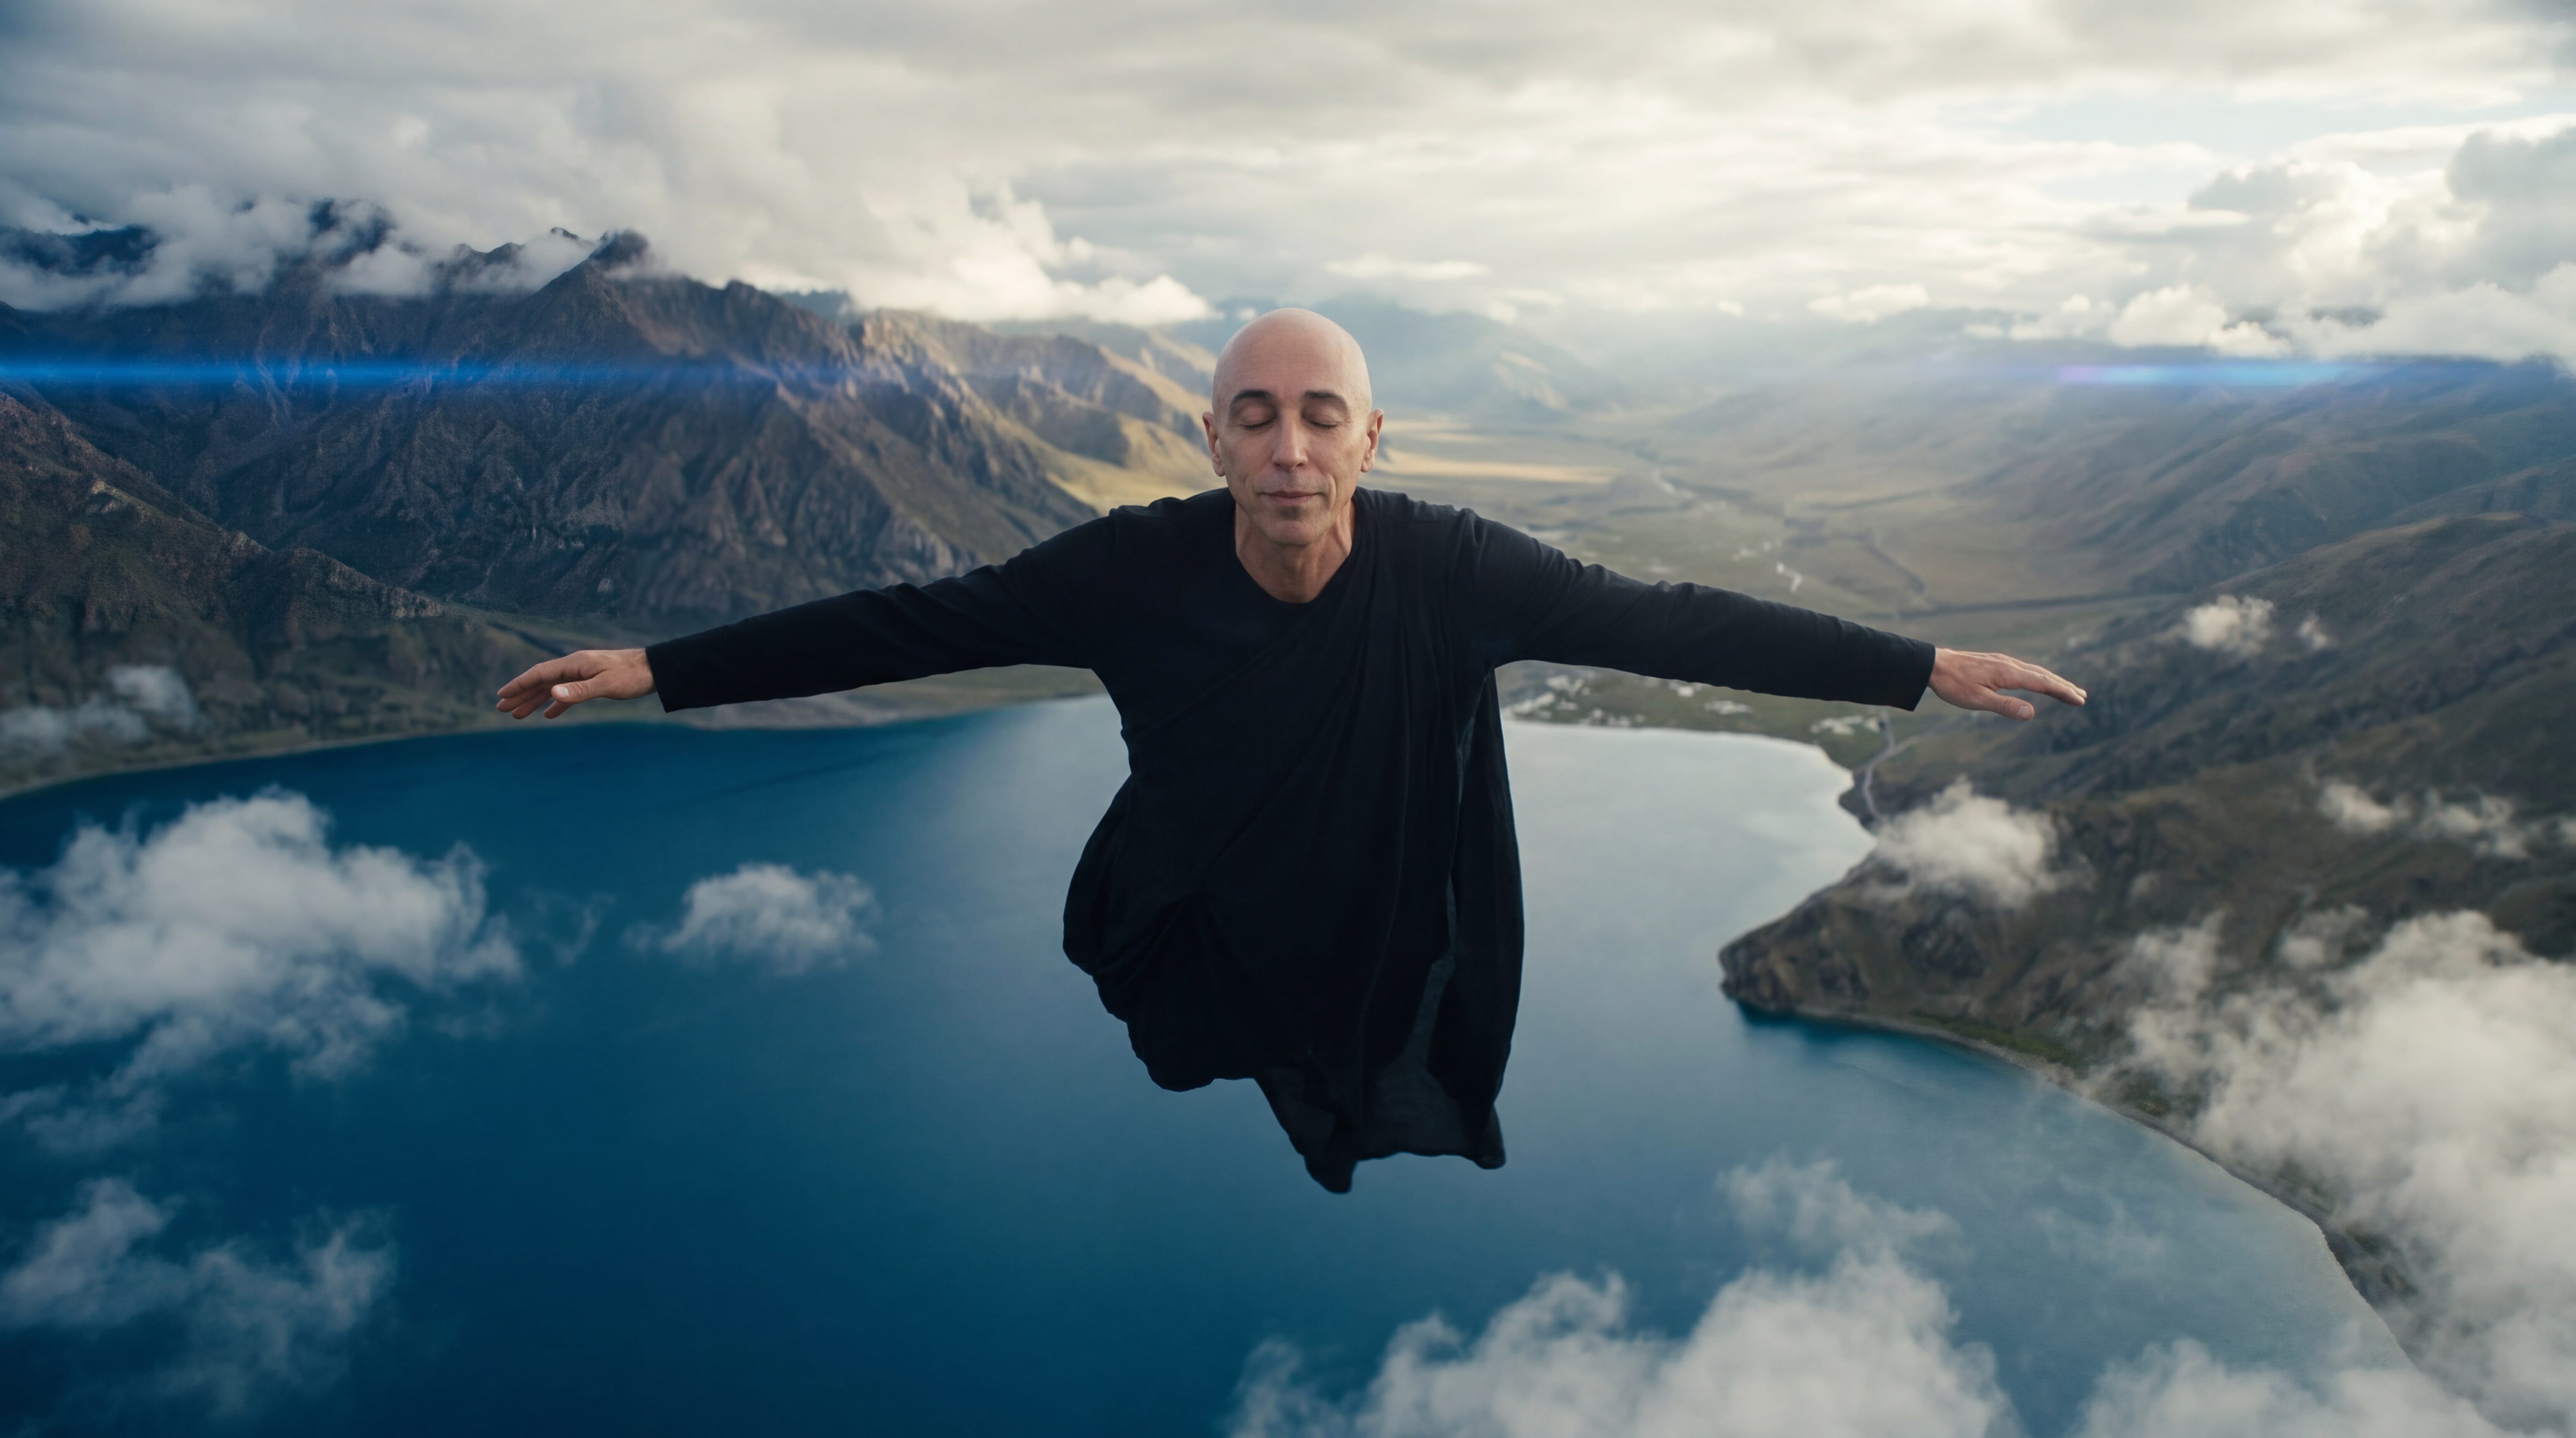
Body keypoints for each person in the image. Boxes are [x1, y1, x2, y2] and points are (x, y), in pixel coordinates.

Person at [496, 309, 2085, 1191]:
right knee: (1203, 1013)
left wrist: (1912, 667)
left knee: (1376, 1023)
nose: (1289, 447)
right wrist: (664, 667)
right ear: (1212, 439)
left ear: (1371, 441)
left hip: (1370, 904)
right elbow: (918, 625)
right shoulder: (1130, 569)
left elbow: (1666, 620)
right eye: (1253, 415)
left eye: (1323, 415)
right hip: (1196, 896)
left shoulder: (1456, 570)